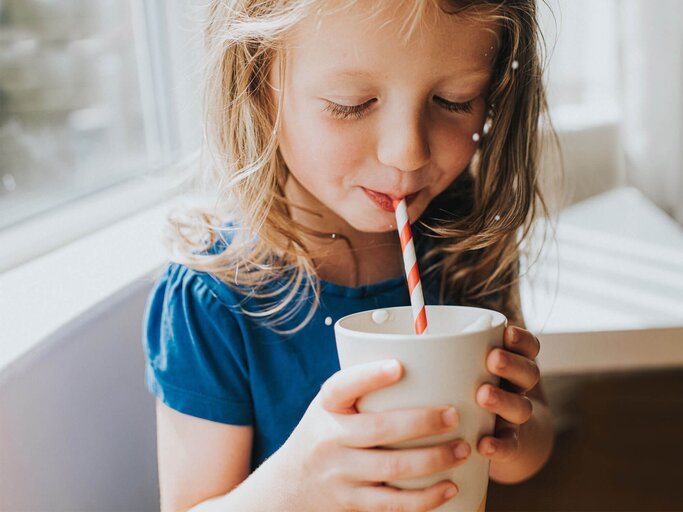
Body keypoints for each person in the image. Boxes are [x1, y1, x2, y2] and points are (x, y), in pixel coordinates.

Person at [143, 0, 559, 510]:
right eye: (350, 103)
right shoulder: (213, 297)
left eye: (455, 99)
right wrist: (297, 481)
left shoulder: (463, 246)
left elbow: (531, 441)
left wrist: (511, 432)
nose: (407, 152)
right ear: (257, 84)